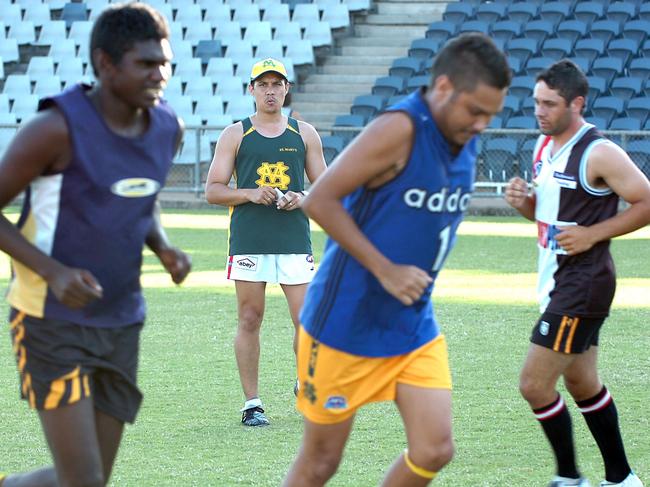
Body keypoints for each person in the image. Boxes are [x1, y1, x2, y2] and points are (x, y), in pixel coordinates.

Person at [283, 33, 511, 486]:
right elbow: (320, 200)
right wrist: (385, 269)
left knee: (434, 449)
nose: (483, 124)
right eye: (476, 111)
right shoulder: (400, 129)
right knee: (320, 464)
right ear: (443, 88)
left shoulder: (463, 137)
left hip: (412, 325)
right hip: (343, 325)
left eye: (491, 115)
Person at [0, 4, 191, 487]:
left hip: (121, 320)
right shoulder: (54, 129)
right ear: (107, 64)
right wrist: (54, 272)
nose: (160, 74)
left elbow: (141, 196)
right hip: (50, 321)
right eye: (146, 64)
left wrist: (163, 247)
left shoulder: (168, 128)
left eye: (164, 63)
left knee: (89, 480)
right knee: (83, 481)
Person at [505, 60, 650, 487]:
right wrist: (523, 204)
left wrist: (593, 235)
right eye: (536, 102)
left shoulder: (598, 150)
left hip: (583, 282)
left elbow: (646, 200)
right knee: (584, 382)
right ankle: (621, 479)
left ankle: (568, 478)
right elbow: (549, 217)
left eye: (550, 104)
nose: (540, 111)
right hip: (556, 279)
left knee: (534, 385)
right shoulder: (542, 147)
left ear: (577, 103)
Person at [204, 57, 327, 426]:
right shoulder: (236, 133)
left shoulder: (304, 133)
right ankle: (252, 404)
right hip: (249, 239)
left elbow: (326, 189)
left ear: (287, 89)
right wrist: (251, 194)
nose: (270, 91)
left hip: (293, 238)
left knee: (307, 320)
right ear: (252, 89)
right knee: (249, 318)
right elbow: (213, 190)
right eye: (263, 84)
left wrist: (302, 199)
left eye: (277, 84)